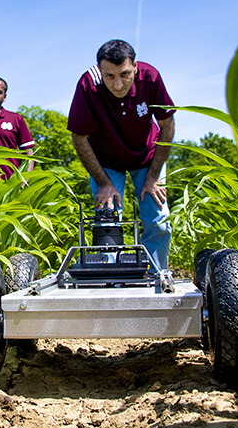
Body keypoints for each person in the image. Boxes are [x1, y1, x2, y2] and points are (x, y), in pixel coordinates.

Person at [67, 39, 176, 269]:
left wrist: (153, 176)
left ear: (135, 66)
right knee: (107, 219)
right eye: (109, 76)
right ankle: (109, 278)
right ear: (100, 71)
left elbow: (167, 125)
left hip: (147, 157)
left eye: (125, 74)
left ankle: (155, 274)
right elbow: (79, 138)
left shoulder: (151, 77)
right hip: (106, 160)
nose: (118, 85)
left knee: (158, 219)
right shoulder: (89, 84)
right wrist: (104, 183)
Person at [0, 76, 36, 180]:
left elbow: (28, 152)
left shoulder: (15, 119)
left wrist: (24, 182)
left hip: (7, 184)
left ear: (4, 97)